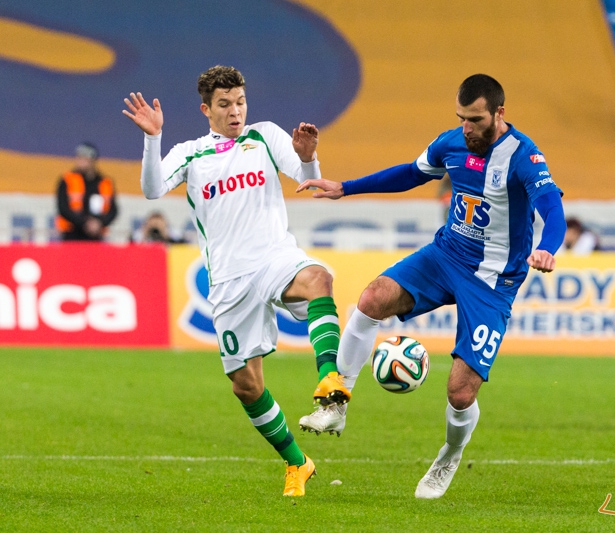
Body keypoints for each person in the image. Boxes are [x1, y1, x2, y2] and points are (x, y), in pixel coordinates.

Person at [297, 74, 567, 498]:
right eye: (461, 118)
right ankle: (336, 400)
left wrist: (548, 247)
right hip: (446, 255)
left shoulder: (524, 156)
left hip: (493, 280)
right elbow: (410, 173)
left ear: (499, 113)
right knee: (371, 299)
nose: (467, 128)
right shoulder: (452, 143)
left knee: (460, 393)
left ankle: (449, 456)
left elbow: (552, 207)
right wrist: (345, 188)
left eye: (475, 119)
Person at [122, 65, 351, 497]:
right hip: (229, 280)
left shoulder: (264, 135)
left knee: (319, 278)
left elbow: (307, 179)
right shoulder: (191, 153)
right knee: (247, 386)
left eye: (240, 102)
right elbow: (152, 189)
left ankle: (329, 380)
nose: (235, 111)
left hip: (273, 257)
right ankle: (298, 463)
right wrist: (153, 139)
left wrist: (307, 156)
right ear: (206, 109)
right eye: (225, 104)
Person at [55, 142, 118, 241]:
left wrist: (100, 223)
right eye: (78, 157)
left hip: (96, 236)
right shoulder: (68, 179)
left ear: (92, 160)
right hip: (71, 235)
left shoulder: (105, 182)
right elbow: (63, 208)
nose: (80, 161)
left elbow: (113, 210)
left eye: (84, 158)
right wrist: (84, 223)